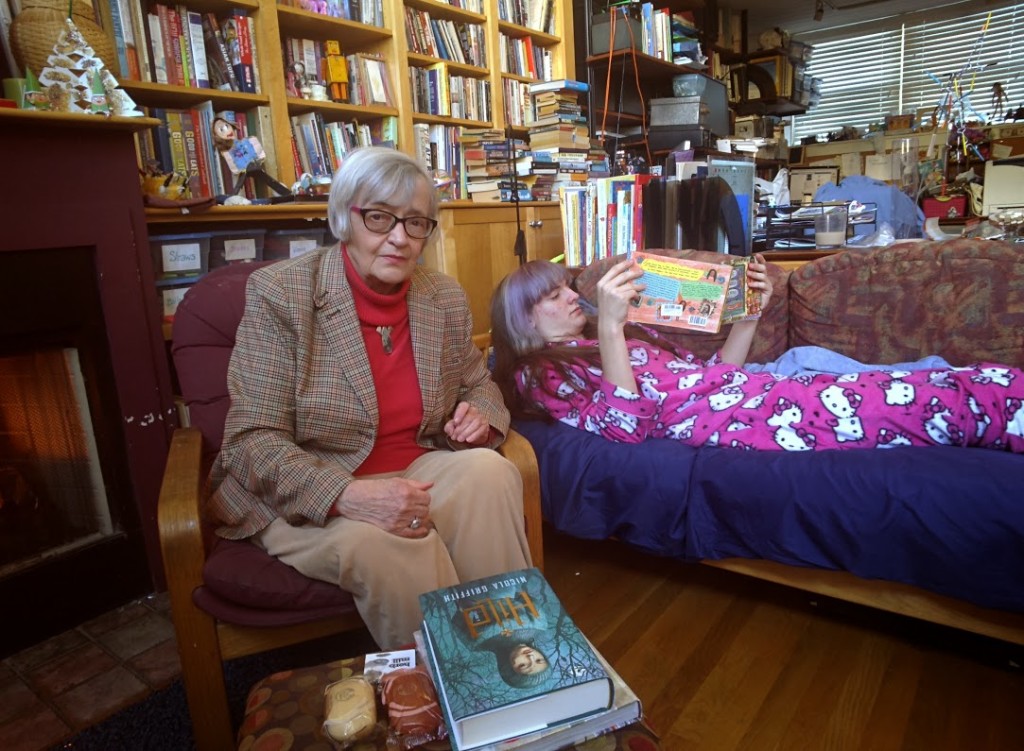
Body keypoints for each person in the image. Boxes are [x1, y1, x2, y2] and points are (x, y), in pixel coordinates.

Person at [208, 146, 532, 649]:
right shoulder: (281, 293)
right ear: (345, 217)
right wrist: (346, 495)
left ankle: (520, 659)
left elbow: (478, 381)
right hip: (311, 490)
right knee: (395, 546)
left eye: (417, 222)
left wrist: (481, 416)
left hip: (417, 468)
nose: (400, 238)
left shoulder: (439, 295)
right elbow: (251, 441)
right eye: (380, 218)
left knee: (491, 472)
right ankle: (454, 694)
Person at [490, 258, 1024, 453]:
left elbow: (714, 376)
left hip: (761, 393)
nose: (569, 296)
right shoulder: (543, 373)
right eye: (551, 296)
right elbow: (626, 426)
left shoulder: (601, 342)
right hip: (749, 421)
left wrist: (749, 316)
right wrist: (611, 322)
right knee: (939, 403)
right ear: (525, 320)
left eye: (566, 286)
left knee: (975, 381)